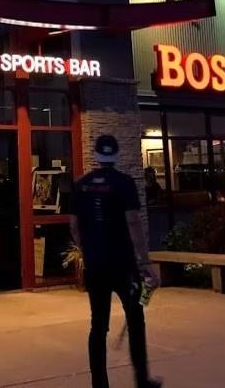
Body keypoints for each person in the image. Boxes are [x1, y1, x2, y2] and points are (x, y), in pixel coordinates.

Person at [70, 135, 161, 388]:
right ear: (117, 154)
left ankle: (99, 384)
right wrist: (145, 263)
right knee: (135, 320)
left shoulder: (81, 185)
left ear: (96, 155)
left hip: (96, 265)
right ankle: (142, 380)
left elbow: (74, 226)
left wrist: (87, 250)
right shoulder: (125, 183)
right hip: (123, 264)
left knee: (98, 326)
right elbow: (133, 222)